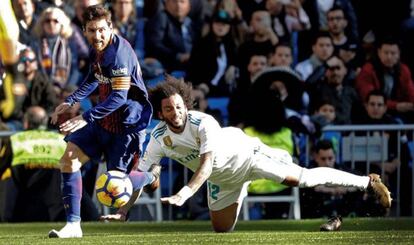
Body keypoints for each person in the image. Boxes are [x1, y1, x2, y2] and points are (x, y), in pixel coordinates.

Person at [103, 77, 392, 233]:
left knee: (301, 180)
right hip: (224, 178)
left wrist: (187, 192)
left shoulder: (202, 123)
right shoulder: (158, 138)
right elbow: (140, 175)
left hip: (246, 156)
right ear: (161, 112)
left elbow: (205, 164)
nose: (176, 112)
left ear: (185, 104)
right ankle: (242, 187)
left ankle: (367, 181)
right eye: (169, 109)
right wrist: (124, 210)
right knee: (221, 230)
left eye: (179, 106)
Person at [48, 5, 153, 238]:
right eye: (92, 30)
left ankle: (149, 175)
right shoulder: (98, 50)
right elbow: (94, 77)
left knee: (118, 183)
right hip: (102, 120)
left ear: (111, 28)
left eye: (102, 30)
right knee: (68, 161)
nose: (97, 35)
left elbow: (119, 97)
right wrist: (71, 100)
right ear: (84, 30)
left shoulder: (119, 54)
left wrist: (84, 117)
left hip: (126, 126)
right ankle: (73, 226)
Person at [0, 106, 67, 222]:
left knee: (6, 174)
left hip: (22, 209)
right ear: (46, 121)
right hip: (54, 210)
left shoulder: (15, 139)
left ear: (26, 123)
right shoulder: (61, 140)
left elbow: (1, 166)